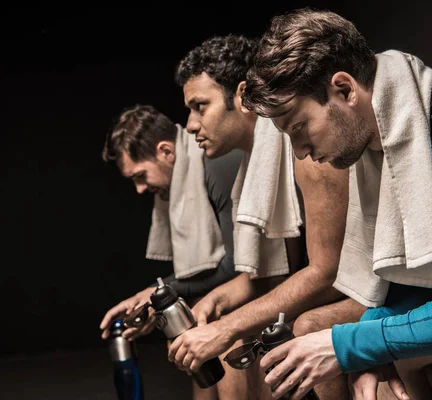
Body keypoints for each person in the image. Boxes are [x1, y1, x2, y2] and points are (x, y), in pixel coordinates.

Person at [242, 7, 432, 400]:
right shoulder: (382, 138)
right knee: (373, 354)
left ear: (345, 89)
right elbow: (427, 279)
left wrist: (352, 345)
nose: (299, 152)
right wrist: (366, 347)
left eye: (298, 127)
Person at [167, 35, 366, 400]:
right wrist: (217, 302)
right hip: (330, 290)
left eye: (200, 106)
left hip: (366, 291)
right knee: (227, 324)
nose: (191, 125)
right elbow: (271, 276)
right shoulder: (254, 167)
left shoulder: (309, 151)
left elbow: (329, 274)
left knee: (289, 326)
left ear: (242, 96)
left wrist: (226, 328)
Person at [98, 104, 248, 400]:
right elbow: (204, 269)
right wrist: (159, 299)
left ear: (166, 151)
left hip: (274, 278)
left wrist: (159, 292)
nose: (139, 189)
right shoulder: (185, 173)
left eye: (140, 175)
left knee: (214, 316)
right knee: (188, 315)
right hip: (237, 283)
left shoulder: (216, 164)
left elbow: (237, 266)